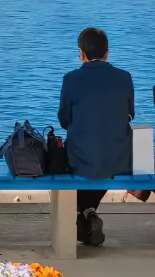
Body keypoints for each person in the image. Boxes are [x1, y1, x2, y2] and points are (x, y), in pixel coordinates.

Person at [58, 27, 135, 248]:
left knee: (75, 162)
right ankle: (89, 213)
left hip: (82, 160)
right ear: (107, 52)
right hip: (119, 160)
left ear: (81, 53)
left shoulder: (71, 79)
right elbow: (130, 114)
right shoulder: (124, 78)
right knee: (103, 160)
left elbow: (64, 120)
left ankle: (86, 214)